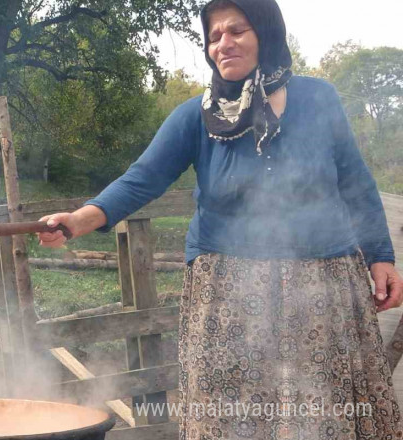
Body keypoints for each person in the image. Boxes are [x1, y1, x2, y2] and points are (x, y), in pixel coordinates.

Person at [37, 0, 403, 437]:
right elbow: (143, 178)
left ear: (265, 34)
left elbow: (356, 183)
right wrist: (80, 219)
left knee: (327, 409)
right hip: (229, 292)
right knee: (234, 415)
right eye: (214, 37)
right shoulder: (196, 116)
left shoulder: (318, 98)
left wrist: (380, 255)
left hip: (323, 285)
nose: (223, 44)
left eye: (237, 31)